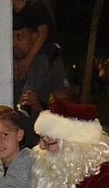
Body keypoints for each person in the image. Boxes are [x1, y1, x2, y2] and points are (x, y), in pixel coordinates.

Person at [12, 18, 73, 147]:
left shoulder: (50, 64)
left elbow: (67, 106)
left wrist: (41, 107)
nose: (14, 43)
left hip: (39, 144)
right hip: (7, 145)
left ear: (34, 37)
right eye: (9, 37)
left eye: (19, 37)